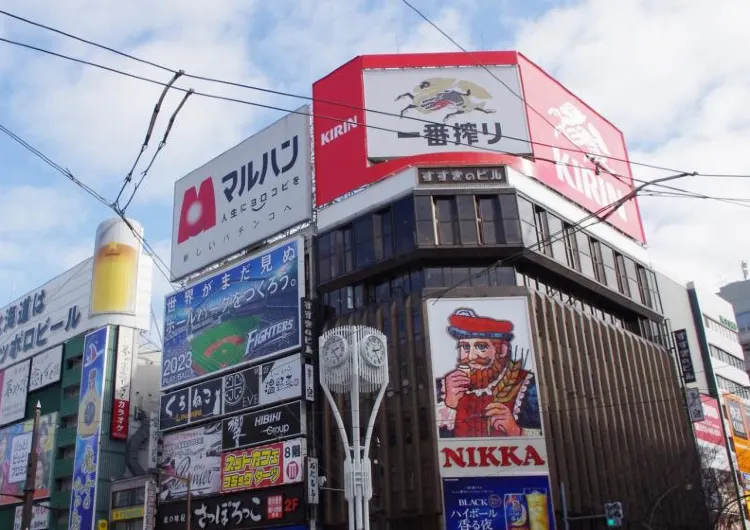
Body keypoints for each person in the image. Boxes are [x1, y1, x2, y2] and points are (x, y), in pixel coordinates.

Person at [436, 308, 541, 437]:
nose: (471, 357)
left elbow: (549, 436)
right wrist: (450, 405)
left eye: (481, 347)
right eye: (465, 347)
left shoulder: (528, 385)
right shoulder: (443, 387)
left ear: (502, 350)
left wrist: (516, 430)